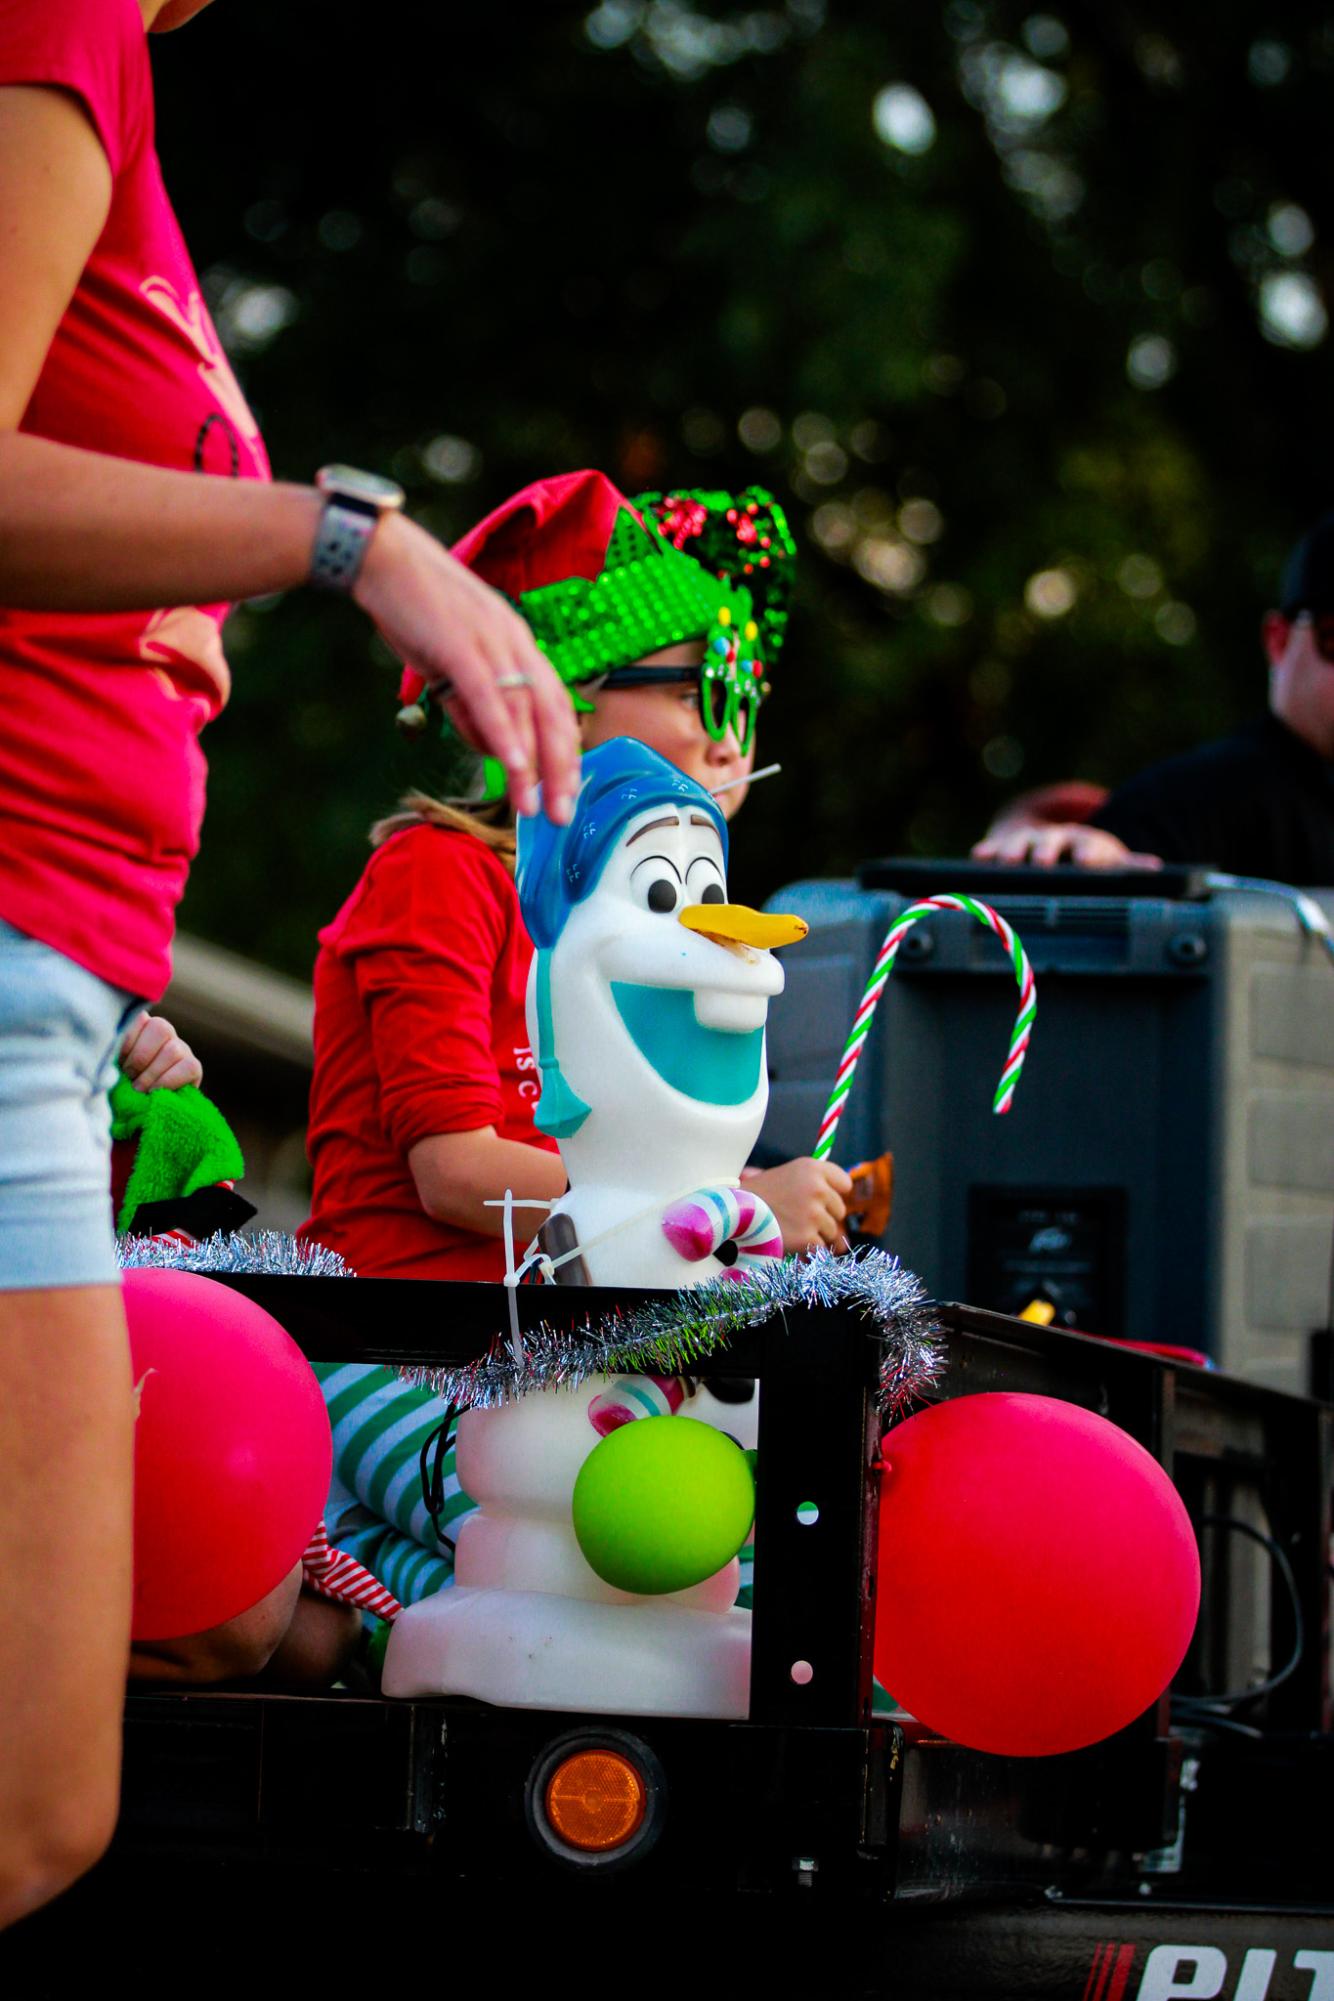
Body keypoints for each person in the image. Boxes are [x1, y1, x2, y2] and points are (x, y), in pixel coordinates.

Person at [0, 0, 578, 1929]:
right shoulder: (50, 17)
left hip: (59, 982)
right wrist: (348, 541)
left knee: (45, 1798)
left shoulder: (105, 64)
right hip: (17, 958)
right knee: (31, 1798)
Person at [301, 471, 855, 1614]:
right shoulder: (437, 871)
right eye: (704, 682)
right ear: (566, 700)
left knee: (797, 1542)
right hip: (404, 1339)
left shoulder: (657, 926)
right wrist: (730, 1201)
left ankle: (387, 1592)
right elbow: (454, 1172)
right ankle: (365, 1586)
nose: (730, 719)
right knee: (601, 1545)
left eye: (740, 683)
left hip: (572, 1345)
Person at [972, 517, 1334, 885]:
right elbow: (1089, 862)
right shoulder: (1199, 799)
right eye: (1333, 636)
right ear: (1279, 641)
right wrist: (1062, 855)